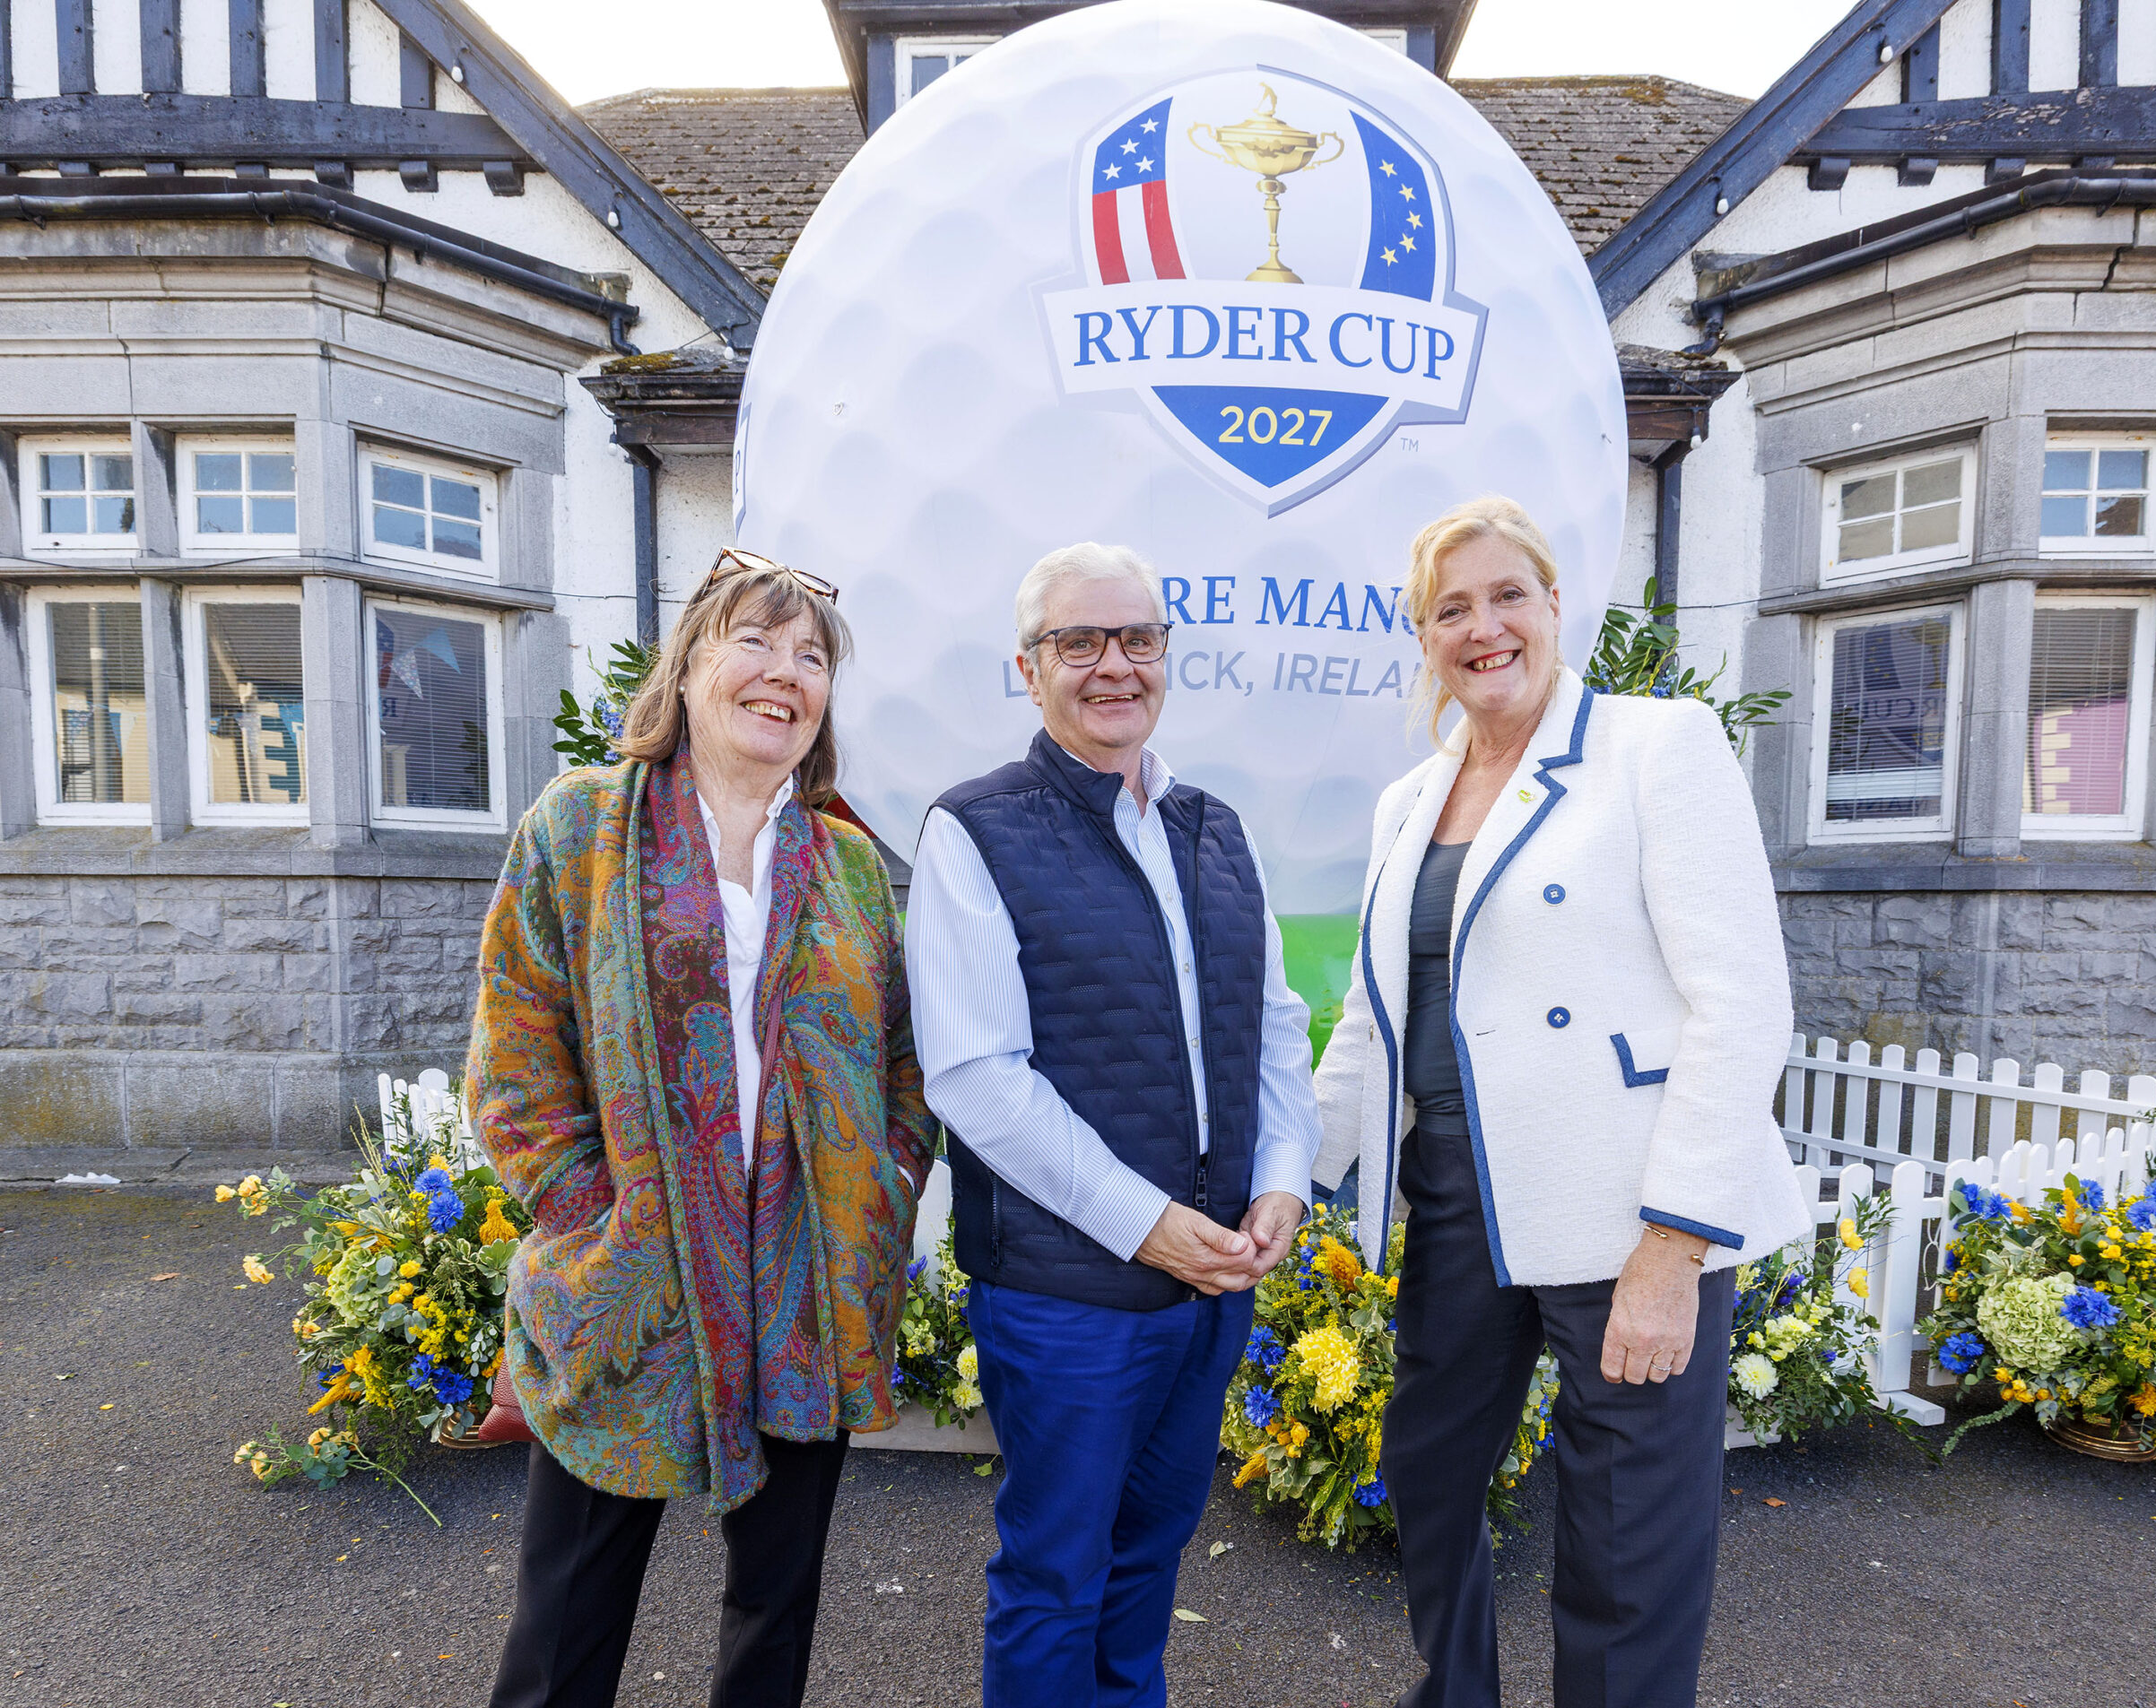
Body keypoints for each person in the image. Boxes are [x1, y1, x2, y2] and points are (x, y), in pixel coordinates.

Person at [1312, 496, 1811, 1708]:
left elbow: (1741, 1002)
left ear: (1551, 605)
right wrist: (1294, 1172)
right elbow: (1374, 1023)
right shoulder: (1406, 802)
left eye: (1505, 597)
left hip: (1627, 1211)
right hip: (1456, 1204)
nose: (1483, 628)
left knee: (1626, 1538)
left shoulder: (1656, 745)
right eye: (1451, 608)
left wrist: (1674, 1245)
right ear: (1424, 635)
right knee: (1427, 1471)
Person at [470, 549, 933, 1708]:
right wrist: (595, 1218)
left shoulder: (849, 866)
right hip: (629, 1286)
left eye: (812, 654)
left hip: (804, 1297)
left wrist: (883, 1184)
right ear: (688, 666)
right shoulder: (581, 829)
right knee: (566, 1629)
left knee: (773, 1622)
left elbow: (906, 1060)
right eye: (757, 641)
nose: (785, 671)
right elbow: (517, 1056)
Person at [904, 541, 1321, 1706]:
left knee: (1148, 1558)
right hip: (1064, 1297)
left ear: (1165, 655)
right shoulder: (973, 829)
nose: (1113, 664)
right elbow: (979, 1075)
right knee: (1055, 1571)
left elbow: (1274, 1021)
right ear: (1028, 666)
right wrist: (1151, 1226)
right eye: (1078, 640)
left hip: (1209, 1286)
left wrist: (1282, 1175)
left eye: (1137, 637)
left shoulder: (1216, 828)